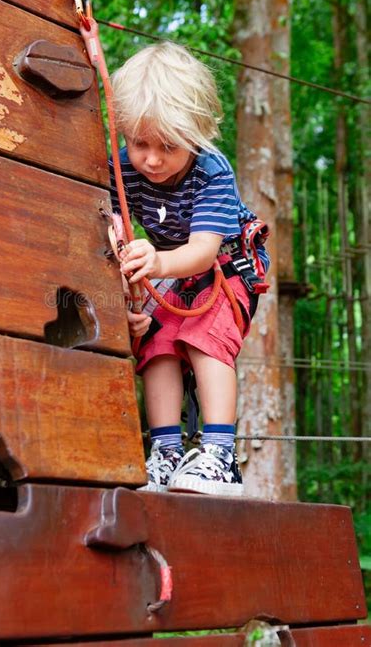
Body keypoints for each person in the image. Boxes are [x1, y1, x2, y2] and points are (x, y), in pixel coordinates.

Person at [109, 41, 269, 496]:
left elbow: (201, 251)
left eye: (168, 146)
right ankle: (166, 453)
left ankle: (219, 455)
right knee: (156, 344)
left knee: (203, 337)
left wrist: (155, 261)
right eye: (140, 143)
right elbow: (108, 219)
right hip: (170, 270)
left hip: (225, 263)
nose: (152, 160)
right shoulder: (120, 167)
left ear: (196, 135)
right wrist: (130, 288)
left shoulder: (212, 171)